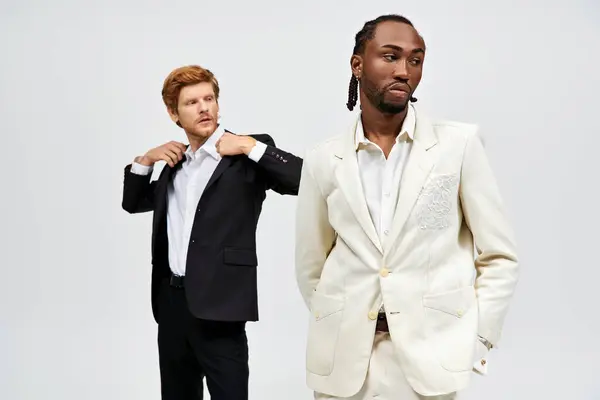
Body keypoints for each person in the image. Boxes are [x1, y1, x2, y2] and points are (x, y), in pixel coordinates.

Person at [294, 14, 519, 400]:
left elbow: (499, 256)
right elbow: (311, 265)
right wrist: (339, 321)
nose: (404, 70)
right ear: (357, 64)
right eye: (390, 56)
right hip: (345, 367)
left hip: (429, 361)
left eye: (415, 60)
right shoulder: (323, 159)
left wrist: (477, 338)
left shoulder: (458, 146)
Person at [121, 64, 302, 400]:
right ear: (174, 114)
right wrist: (147, 160)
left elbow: (303, 179)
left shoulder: (246, 154)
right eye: (192, 103)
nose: (204, 107)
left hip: (221, 305)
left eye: (209, 99)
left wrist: (250, 146)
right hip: (172, 304)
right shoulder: (174, 165)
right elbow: (132, 203)